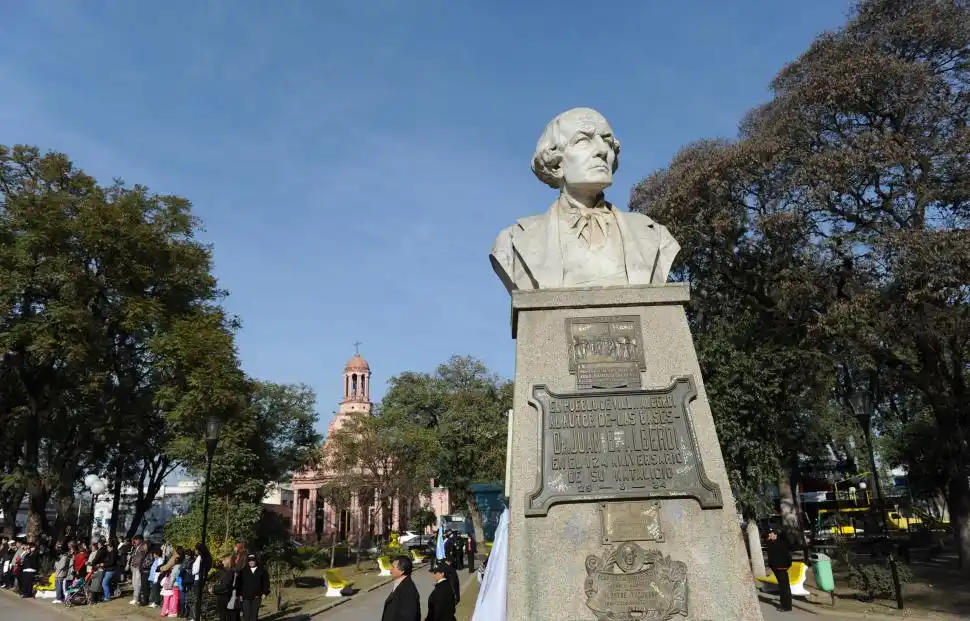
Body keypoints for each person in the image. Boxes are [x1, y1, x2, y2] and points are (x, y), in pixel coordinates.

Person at [489, 107, 680, 293]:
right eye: (583, 140)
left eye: (607, 141)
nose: (602, 150)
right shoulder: (514, 241)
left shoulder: (656, 236)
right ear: (556, 165)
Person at [382, 555, 420, 621]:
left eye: (393, 567)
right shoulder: (401, 584)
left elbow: (409, 617)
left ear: (402, 571)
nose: (390, 570)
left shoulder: (408, 590)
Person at [234, 554, 269, 621]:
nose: (251, 562)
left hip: (257, 597)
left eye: (253, 560)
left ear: (256, 561)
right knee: (246, 616)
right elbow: (239, 583)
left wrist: (265, 593)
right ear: (248, 561)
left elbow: (266, 582)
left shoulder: (262, 570)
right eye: (250, 560)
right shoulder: (243, 571)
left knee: (254, 616)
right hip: (245, 597)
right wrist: (239, 594)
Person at [766, 528, 793, 612]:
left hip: (782, 568)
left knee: (784, 587)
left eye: (771, 533)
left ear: (776, 535)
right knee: (782, 587)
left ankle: (787, 606)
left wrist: (787, 565)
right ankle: (783, 605)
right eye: (769, 534)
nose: (769, 535)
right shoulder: (772, 543)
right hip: (776, 568)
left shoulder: (781, 543)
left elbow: (787, 556)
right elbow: (770, 554)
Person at [213, 556, 240, 621]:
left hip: (225, 596)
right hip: (226, 596)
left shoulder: (230, 572)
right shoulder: (231, 571)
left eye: (224, 560)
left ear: (228, 562)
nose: (222, 562)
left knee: (225, 616)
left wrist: (214, 589)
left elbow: (226, 585)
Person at [128, 535, 149, 606]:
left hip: (138, 567)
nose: (134, 541)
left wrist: (139, 565)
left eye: (136, 539)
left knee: (137, 584)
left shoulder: (143, 546)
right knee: (134, 583)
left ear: (141, 540)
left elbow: (142, 557)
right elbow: (133, 557)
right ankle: (136, 598)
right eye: (134, 539)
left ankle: (136, 599)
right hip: (134, 567)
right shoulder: (135, 547)